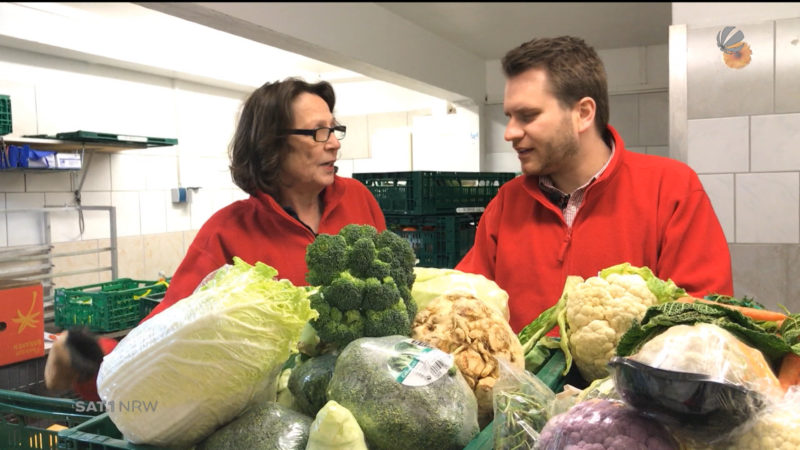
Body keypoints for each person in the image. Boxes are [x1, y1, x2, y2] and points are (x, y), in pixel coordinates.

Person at [44, 77, 387, 399]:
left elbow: (392, 289)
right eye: (318, 132)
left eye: (334, 129)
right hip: (279, 404)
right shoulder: (227, 232)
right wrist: (89, 365)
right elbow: (163, 331)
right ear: (272, 145)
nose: (334, 143)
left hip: (367, 386)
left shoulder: (358, 198)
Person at [455, 36, 734, 333]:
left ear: (583, 113)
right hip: (520, 380)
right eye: (509, 117)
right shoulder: (507, 202)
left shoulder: (671, 189)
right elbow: (462, 301)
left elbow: (703, 318)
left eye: (528, 116)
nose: (509, 132)